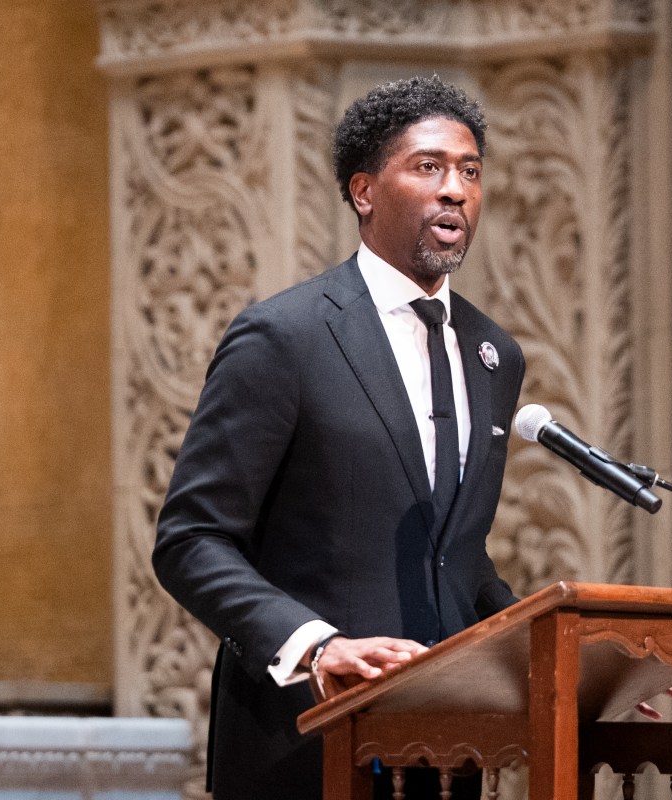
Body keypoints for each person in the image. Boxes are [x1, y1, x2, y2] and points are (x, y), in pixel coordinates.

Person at [153, 76, 524, 799]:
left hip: (442, 752)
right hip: (307, 739)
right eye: (429, 168)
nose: (455, 190)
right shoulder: (286, 337)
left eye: (470, 171)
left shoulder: (492, 353)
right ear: (363, 191)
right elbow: (191, 539)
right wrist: (317, 645)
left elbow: (459, 558)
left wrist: (572, 663)